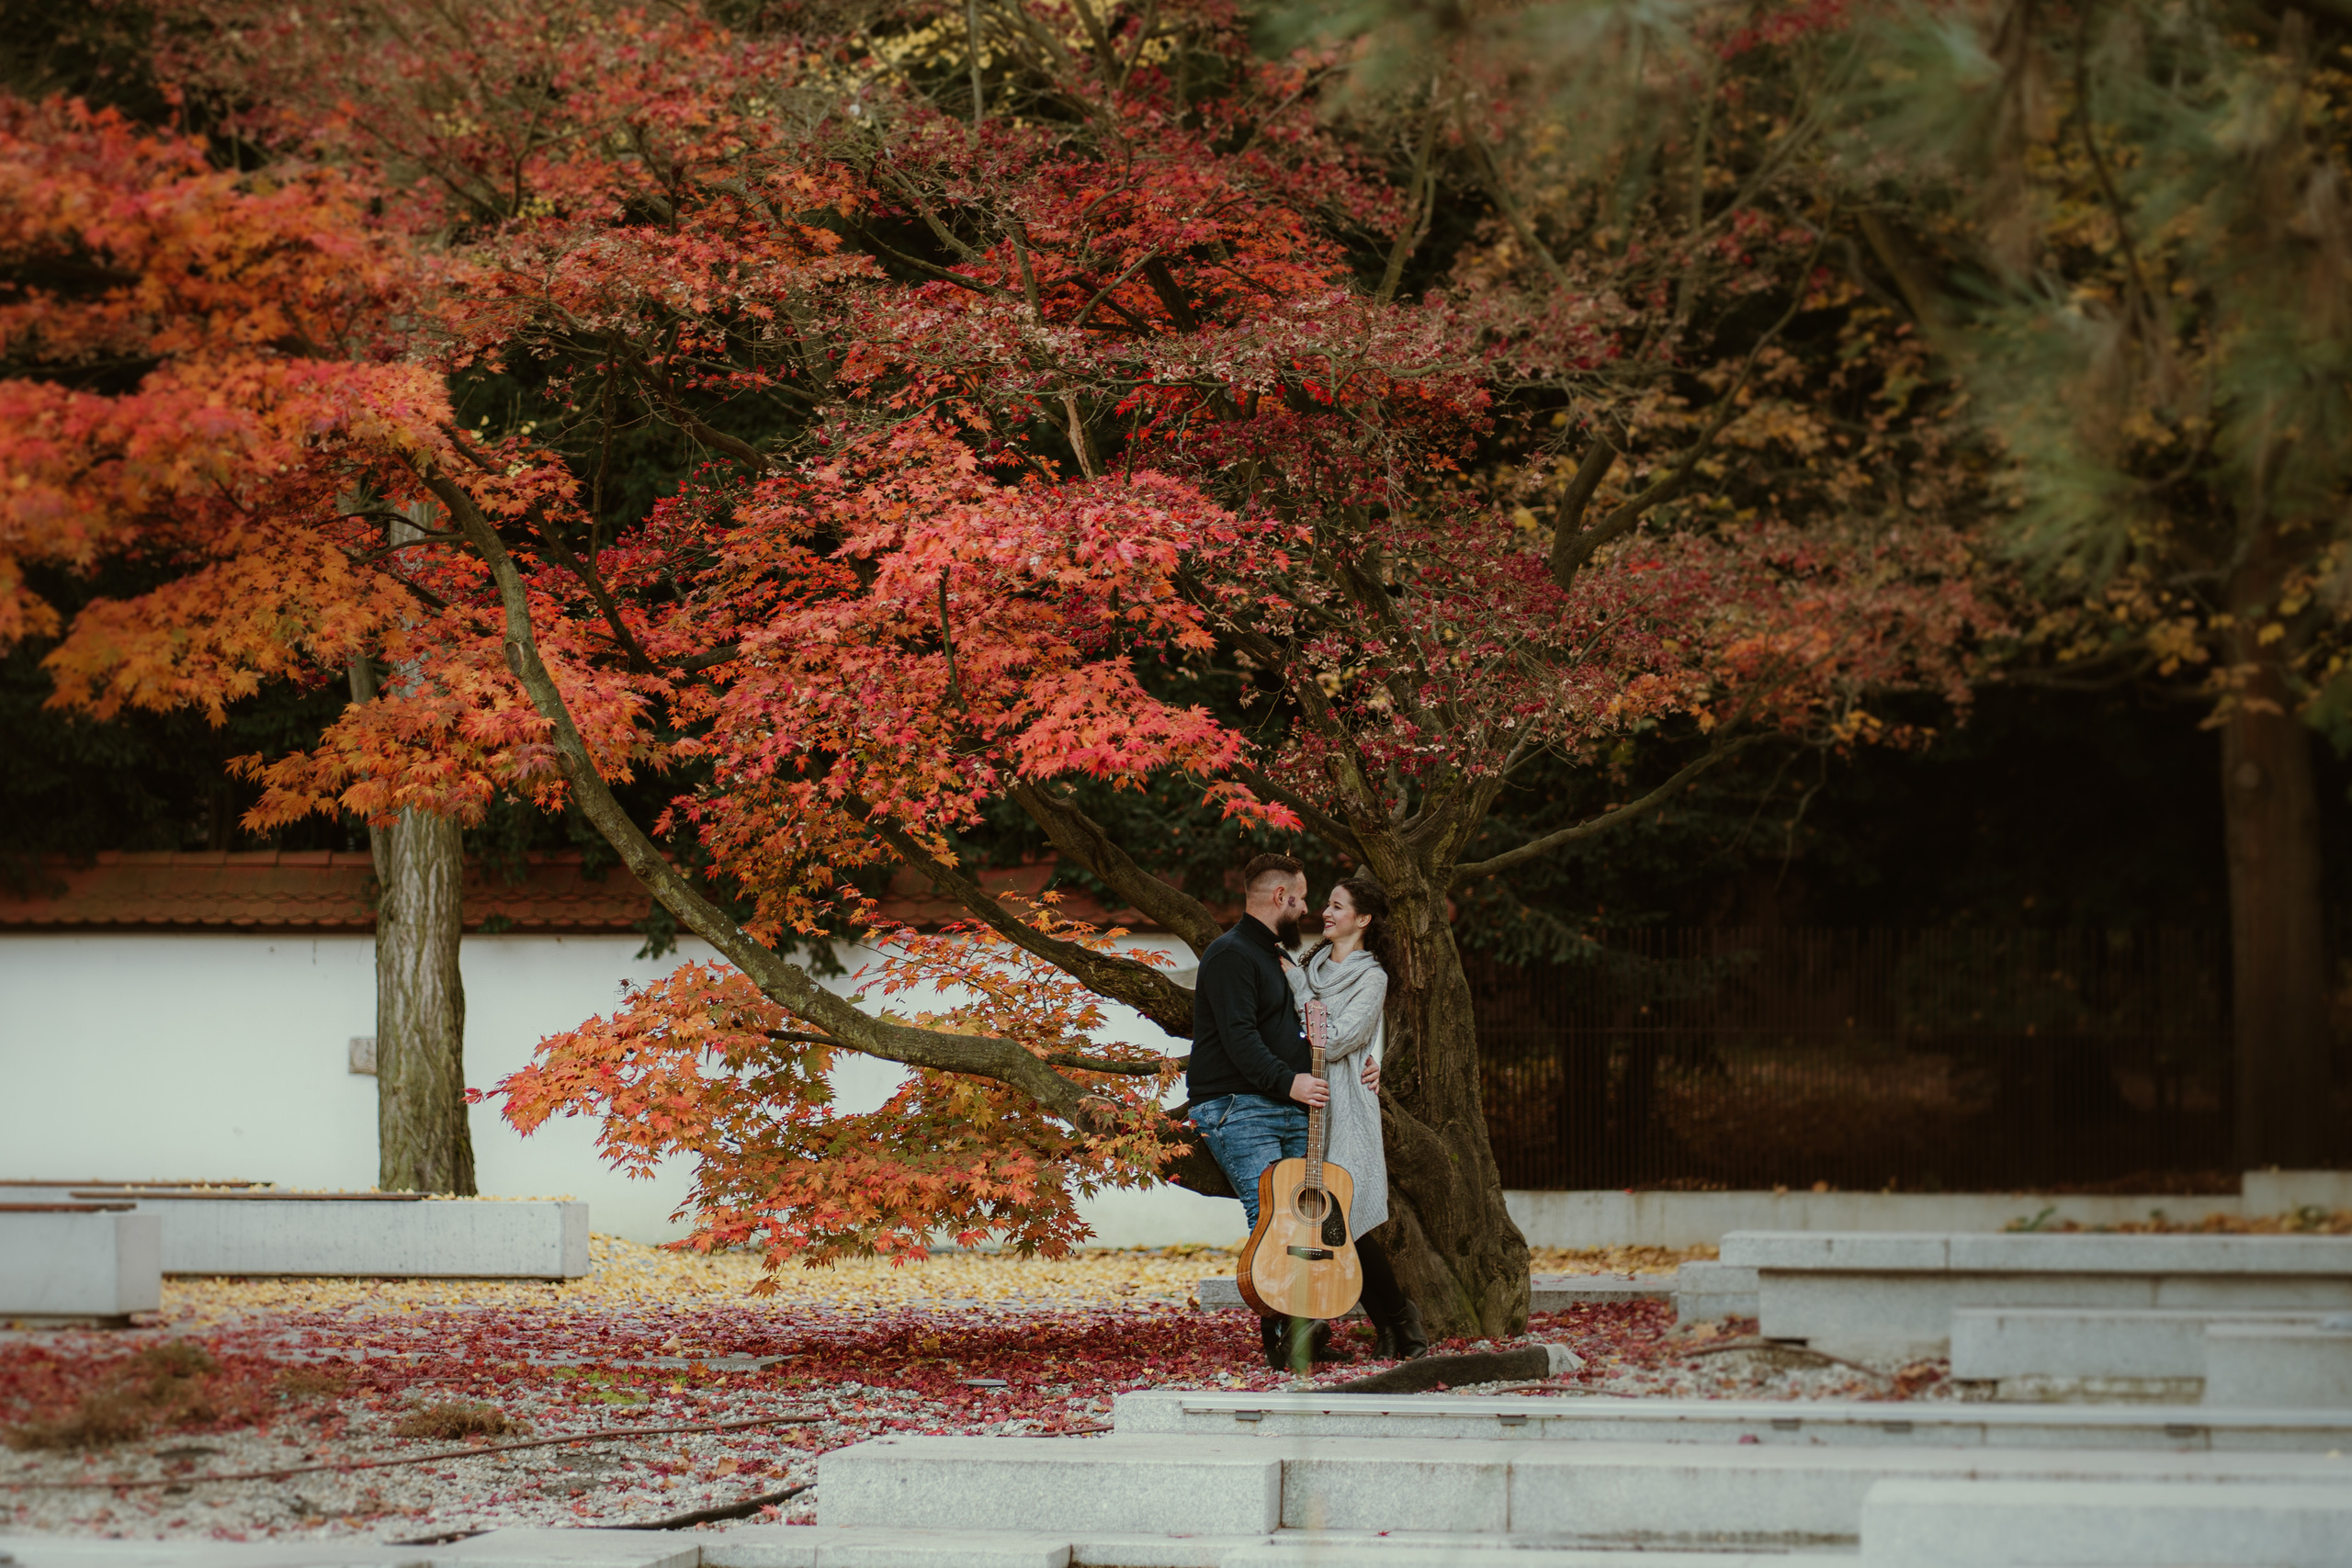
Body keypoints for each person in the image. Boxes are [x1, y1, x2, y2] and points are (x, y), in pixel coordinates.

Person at [1185, 852, 1329, 1370]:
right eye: (1303, 897)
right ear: (1280, 897)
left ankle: (1304, 1322)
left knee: (1304, 1217)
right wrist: (1291, 1082)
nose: (1308, 908)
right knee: (1270, 1218)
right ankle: (1287, 1333)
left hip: (1284, 1102)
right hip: (1237, 1105)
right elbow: (1240, 1039)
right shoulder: (1229, 955)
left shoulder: (1274, 957)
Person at [1286, 875, 1428, 1359]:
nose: (1325, 912)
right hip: (1307, 1101)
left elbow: (1339, 1038)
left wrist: (1300, 993)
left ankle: (1404, 1323)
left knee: (1342, 1219)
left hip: (1347, 1106)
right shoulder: (1312, 965)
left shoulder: (1372, 977)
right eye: (1326, 904)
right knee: (1321, 1217)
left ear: (1363, 919)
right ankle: (1394, 1327)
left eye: (1337, 906)